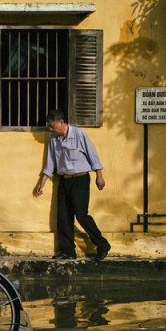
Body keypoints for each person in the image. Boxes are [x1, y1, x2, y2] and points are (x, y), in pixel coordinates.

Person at [32, 109, 111, 260]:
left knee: (81, 215)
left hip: (80, 180)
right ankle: (68, 251)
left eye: (52, 126)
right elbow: (50, 162)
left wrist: (99, 176)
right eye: (49, 127)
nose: (51, 129)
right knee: (63, 217)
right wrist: (42, 182)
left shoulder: (79, 134)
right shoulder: (53, 139)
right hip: (63, 180)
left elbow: (92, 155)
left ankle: (102, 245)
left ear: (61, 122)